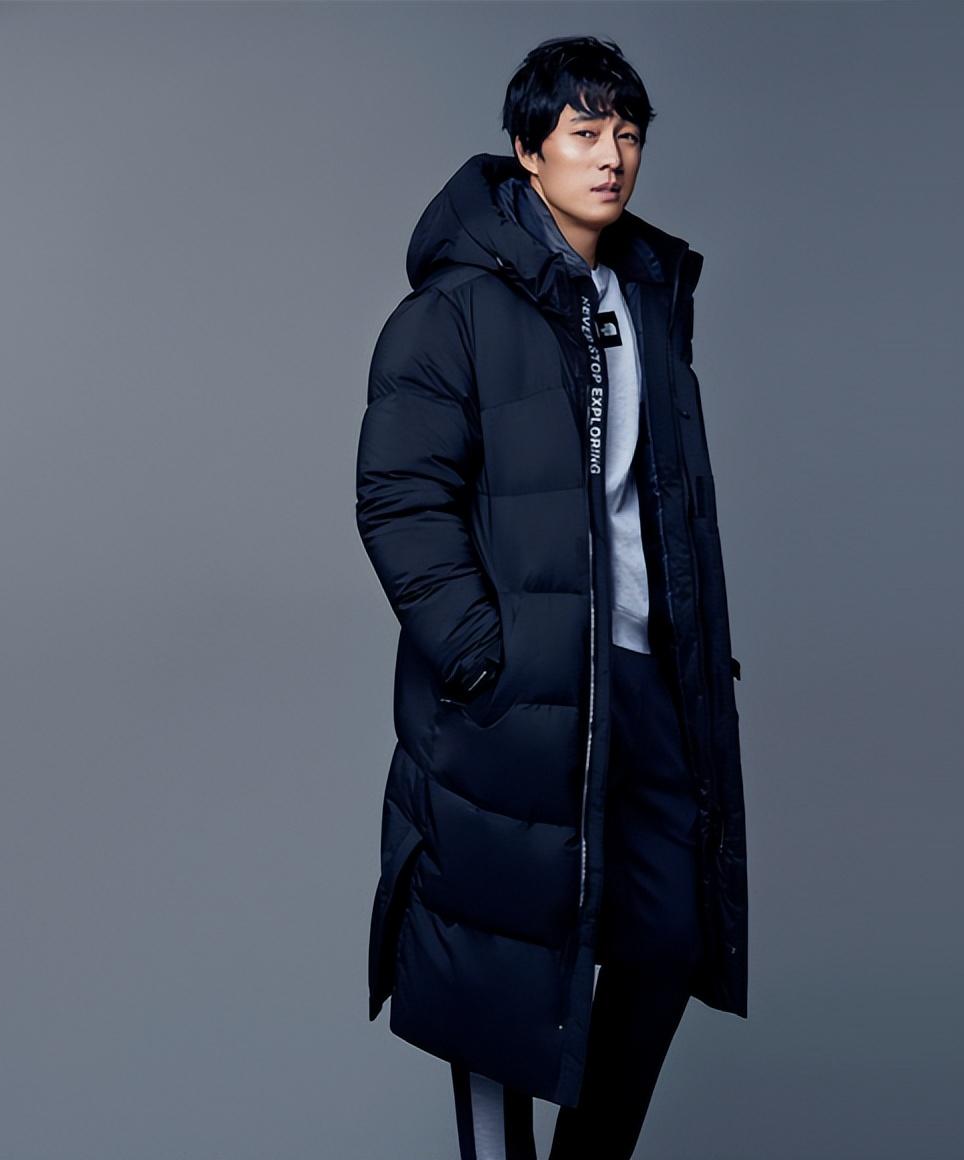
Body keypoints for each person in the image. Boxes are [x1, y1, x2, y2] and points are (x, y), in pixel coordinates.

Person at [355, 35, 747, 1159]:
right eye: (584, 132)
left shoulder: (646, 296)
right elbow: (398, 496)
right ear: (529, 150)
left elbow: (655, 500)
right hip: (513, 688)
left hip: (645, 680)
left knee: (667, 936)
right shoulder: (454, 310)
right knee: (496, 954)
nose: (611, 155)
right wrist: (486, 654)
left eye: (627, 133)